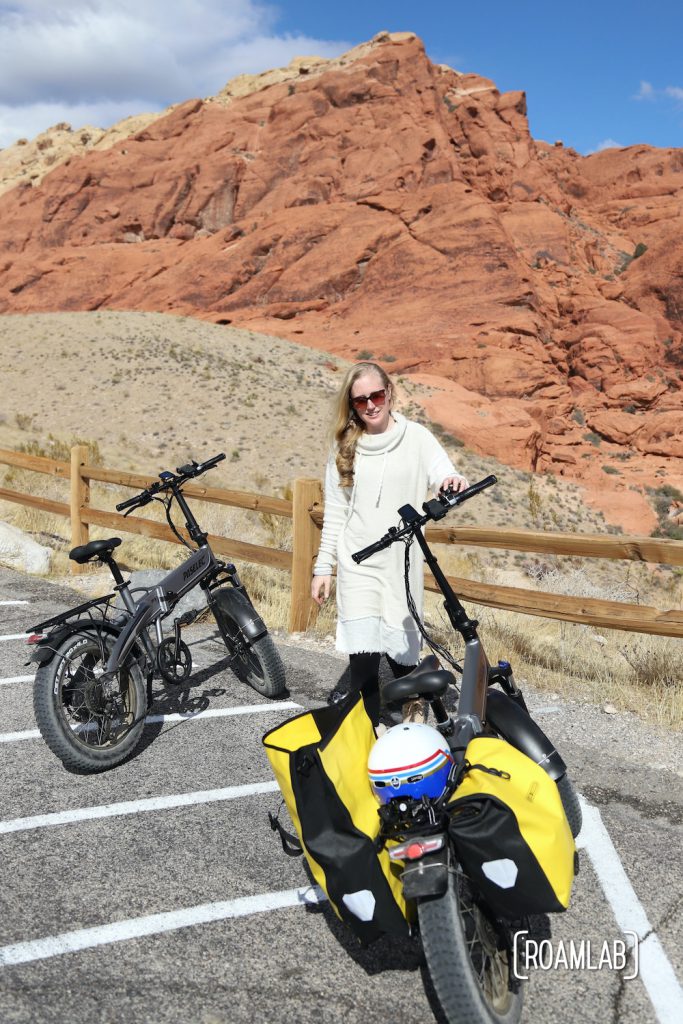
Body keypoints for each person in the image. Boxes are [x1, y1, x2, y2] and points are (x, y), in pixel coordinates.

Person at [311, 361, 469, 727]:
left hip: (402, 561)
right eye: (360, 400)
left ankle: (414, 722)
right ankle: (366, 729)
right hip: (358, 562)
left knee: (402, 649)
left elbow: (443, 471)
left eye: (376, 395)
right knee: (363, 657)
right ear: (352, 405)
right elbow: (336, 514)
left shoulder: (417, 438)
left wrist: (451, 481)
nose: (370, 405)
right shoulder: (344, 449)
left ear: (389, 392)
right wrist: (323, 568)